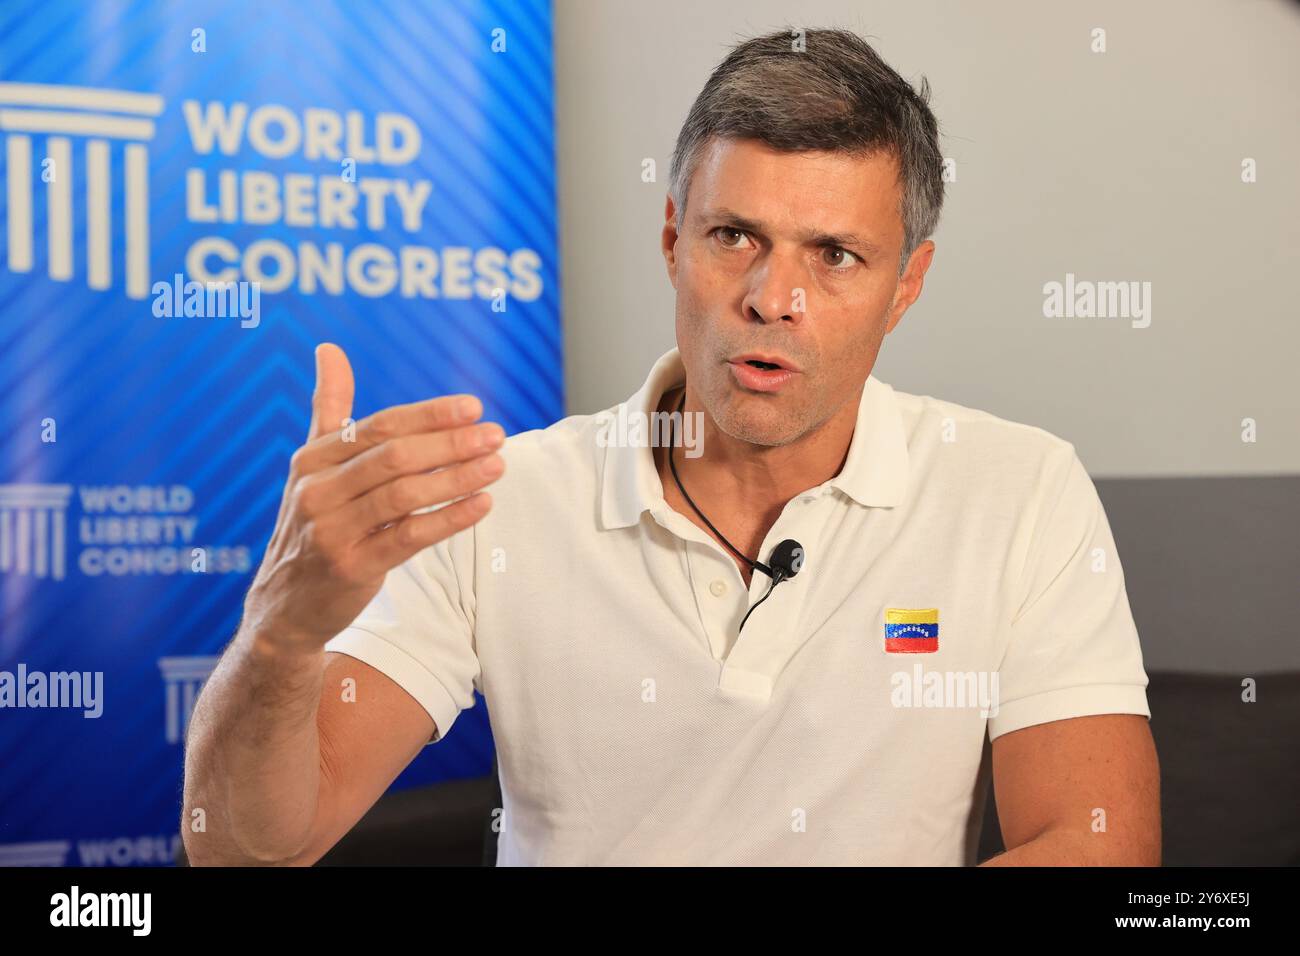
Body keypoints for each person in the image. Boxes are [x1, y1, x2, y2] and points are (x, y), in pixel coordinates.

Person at [182, 28, 1159, 866]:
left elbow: (1097, 839)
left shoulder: (1019, 489)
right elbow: (244, 847)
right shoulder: (499, 500)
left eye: (835, 255)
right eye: (734, 234)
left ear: (906, 285)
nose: (774, 296)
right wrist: (281, 629)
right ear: (671, 238)